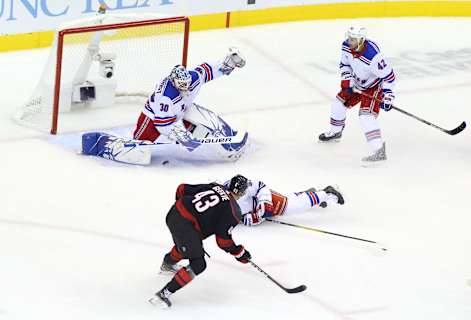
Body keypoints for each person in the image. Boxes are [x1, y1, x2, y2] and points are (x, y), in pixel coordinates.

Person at [81, 47, 248, 165]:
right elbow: (163, 124)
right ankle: (105, 144)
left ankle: (231, 143)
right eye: (181, 85)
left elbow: (208, 69)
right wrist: (181, 135)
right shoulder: (166, 98)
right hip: (153, 118)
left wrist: (228, 63)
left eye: (187, 84)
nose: (186, 88)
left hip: (182, 110)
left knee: (206, 121)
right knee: (139, 152)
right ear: (174, 82)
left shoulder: (192, 77)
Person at [149, 180, 251, 308]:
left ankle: (167, 265)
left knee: (185, 246)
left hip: (173, 213)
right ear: (241, 193)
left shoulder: (215, 186)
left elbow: (181, 189)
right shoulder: (233, 212)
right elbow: (223, 241)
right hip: (186, 226)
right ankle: (163, 295)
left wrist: (181, 214)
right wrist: (239, 253)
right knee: (198, 264)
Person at [318, 26, 396, 163]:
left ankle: (379, 152)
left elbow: (389, 77)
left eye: (353, 39)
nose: (349, 41)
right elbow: (344, 65)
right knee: (338, 104)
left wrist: (388, 97)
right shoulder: (346, 46)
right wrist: (348, 80)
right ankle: (336, 132)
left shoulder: (373, 56)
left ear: (361, 40)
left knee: (366, 117)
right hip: (357, 84)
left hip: (373, 87)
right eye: (349, 38)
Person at [223, 174, 345, 226]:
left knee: (294, 206)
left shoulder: (244, 186)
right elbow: (232, 218)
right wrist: (249, 219)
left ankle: (326, 193)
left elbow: (261, 186)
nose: (243, 193)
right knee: (291, 200)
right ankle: (313, 195)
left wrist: (264, 203)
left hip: (264, 202)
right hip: (256, 209)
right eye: (240, 193)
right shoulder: (224, 201)